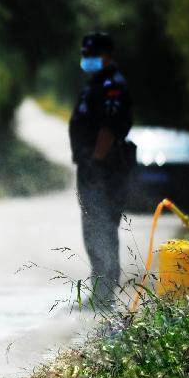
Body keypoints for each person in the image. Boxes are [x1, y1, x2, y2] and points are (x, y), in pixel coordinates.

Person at [68, 32, 134, 307]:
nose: (87, 59)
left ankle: (105, 297)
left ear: (107, 56)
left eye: (92, 55)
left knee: (102, 229)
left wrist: (95, 161)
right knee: (92, 229)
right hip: (92, 169)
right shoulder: (94, 84)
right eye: (85, 55)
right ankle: (100, 291)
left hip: (104, 170)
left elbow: (108, 127)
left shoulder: (111, 86)